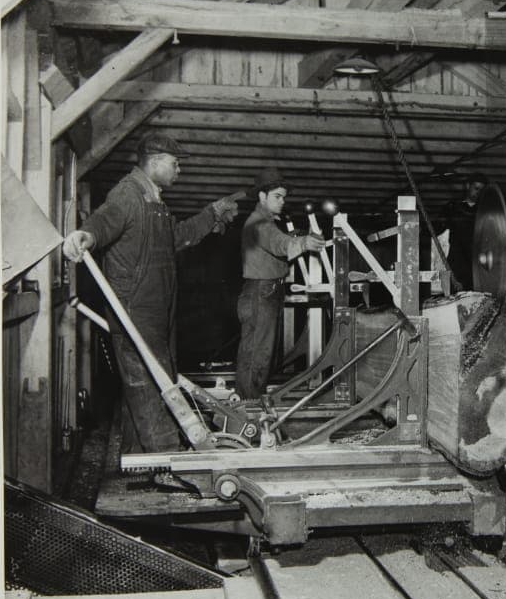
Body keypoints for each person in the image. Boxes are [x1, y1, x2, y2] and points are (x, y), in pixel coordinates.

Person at [62, 133, 239, 454]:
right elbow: (105, 220)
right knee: (148, 382)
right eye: (175, 164)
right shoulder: (128, 195)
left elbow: (176, 236)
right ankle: (166, 457)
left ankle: (140, 457)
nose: (179, 171)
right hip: (136, 307)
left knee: (157, 379)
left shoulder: (154, 200)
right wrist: (86, 235)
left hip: (158, 306)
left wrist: (211, 214)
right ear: (155, 162)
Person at [236, 168, 325, 400]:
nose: (282, 201)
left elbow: (279, 241)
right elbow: (279, 244)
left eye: (284, 197)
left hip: (265, 291)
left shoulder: (266, 223)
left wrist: (297, 238)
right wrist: (305, 242)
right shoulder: (259, 224)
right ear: (262, 197)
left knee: (259, 352)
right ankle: (249, 406)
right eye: (277, 196)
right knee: (259, 353)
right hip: (261, 292)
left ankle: (250, 400)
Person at [438, 172, 489, 291]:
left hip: (478, 264)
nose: (478, 193)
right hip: (457, 263)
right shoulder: (453, 208)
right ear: (468, 186)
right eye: (476, 188)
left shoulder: (486, 212)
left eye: (482, 190)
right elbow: (437, 227)